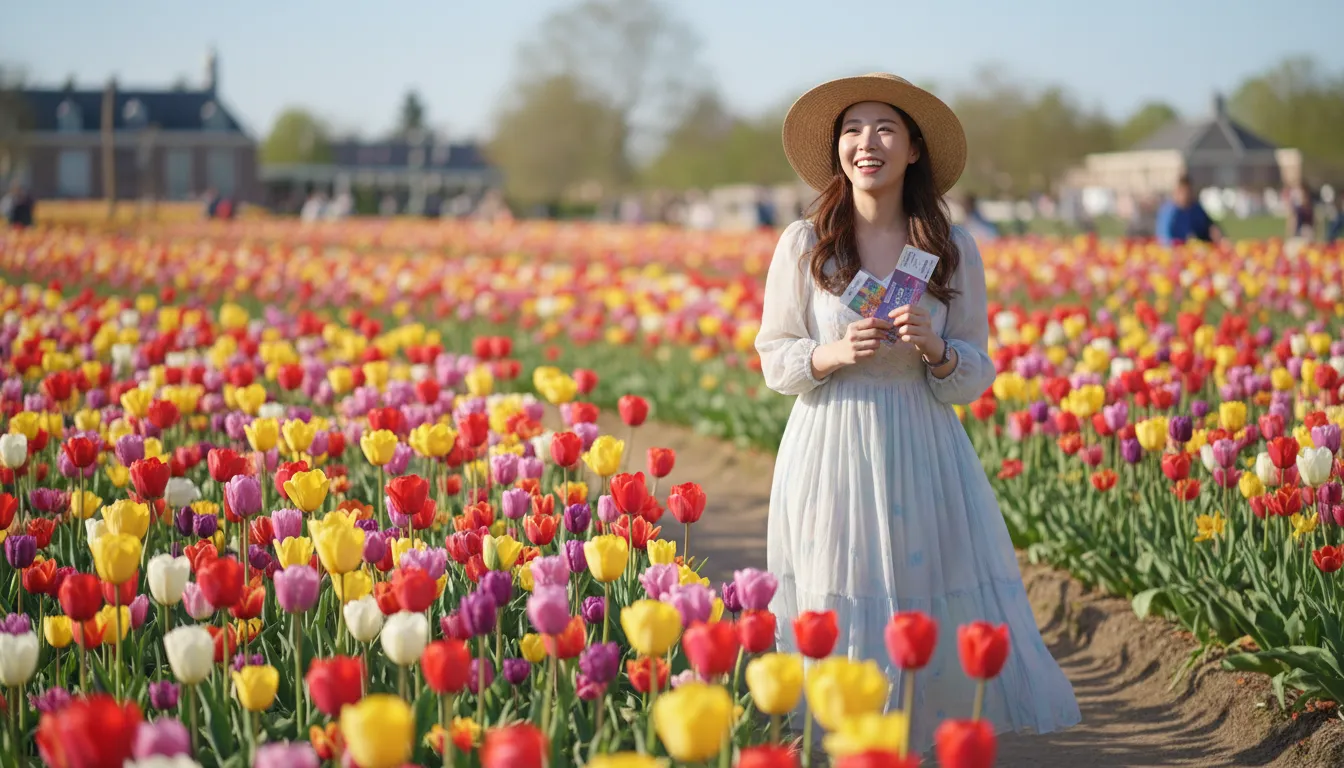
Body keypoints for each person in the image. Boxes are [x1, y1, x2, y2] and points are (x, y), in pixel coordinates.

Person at [756, 72, 1081, 757]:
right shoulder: (805, 242)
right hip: (831, 437)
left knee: (916, 592)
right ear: (837, 150)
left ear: (912, 149)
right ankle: (843, 737)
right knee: (836, 587)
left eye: (884, 129)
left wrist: (936, 351)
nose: (864, 143)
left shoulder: (950, 246)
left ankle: (919, 742)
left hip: (921, 440)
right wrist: (831, 352)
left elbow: (974, 371)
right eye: (851, 129)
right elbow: (774, 355)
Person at [1154, 175, 1220, 246]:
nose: (1187, 196)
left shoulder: (1197, 209)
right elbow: (1164, 239)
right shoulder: (1169, 211)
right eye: (1184, 192)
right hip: (1176, 251)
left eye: (1189, 192)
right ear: (1177, 192)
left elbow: (1210, 228)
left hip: (1199, 250)